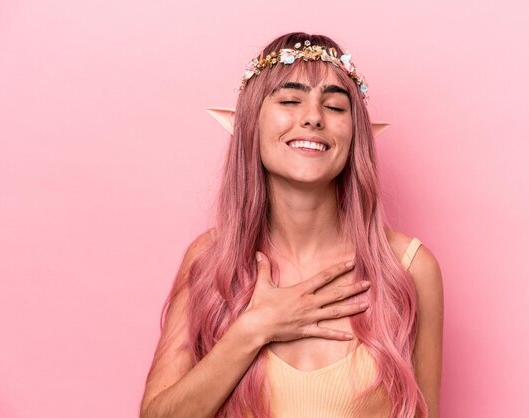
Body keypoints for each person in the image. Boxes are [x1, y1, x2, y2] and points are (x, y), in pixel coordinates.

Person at [140, 32, 443, 418]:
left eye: (334, 106)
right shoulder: (210, 259)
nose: (313, 117)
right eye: (289, 100)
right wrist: (254, 329)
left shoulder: (410, 268)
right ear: (250, 124)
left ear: (355, 136)